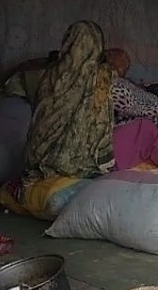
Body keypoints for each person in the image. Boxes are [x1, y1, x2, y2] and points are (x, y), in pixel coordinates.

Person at [23, 21, 117, 181]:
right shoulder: (100, 76)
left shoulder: (51, 72)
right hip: (72, 162)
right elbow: (99, 128)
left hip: (35, 155)